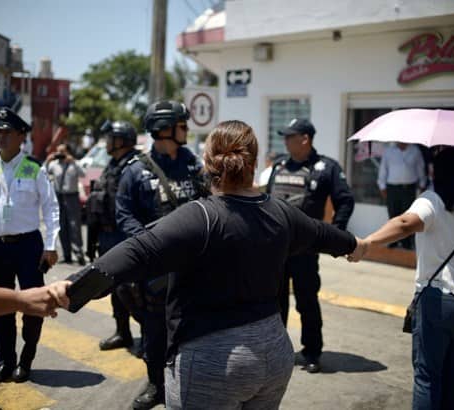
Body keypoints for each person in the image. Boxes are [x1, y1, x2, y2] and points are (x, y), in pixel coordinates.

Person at [51, 120, 360, 409]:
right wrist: (357, 245)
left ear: (208, 163)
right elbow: (325, 235)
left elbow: (135, 253)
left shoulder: (201, 216)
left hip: (212, 360)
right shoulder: (280, 211)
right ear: (253, 162)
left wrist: (74, 288)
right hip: (274, 354)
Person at [349, 147, 454, 410]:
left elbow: (405, 223)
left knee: (428, 377)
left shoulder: (432, 200)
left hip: (440, 301)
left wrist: (367, 243)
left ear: (434, 172)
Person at [114, 100, 208, 409]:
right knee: (154, 332)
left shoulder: (192, 163)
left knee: (193, 329)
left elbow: (210, 201)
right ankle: (156, 385)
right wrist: (148, 244)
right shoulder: (136, 171)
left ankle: (190, 382)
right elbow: (124, 214)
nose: (187, 129)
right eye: (182, 125)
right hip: (155, 270)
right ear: (165, 129)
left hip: (192, 267)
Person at [0, 106, 60, 385]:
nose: (1, 137)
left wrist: (50, 245)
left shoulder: (34, 168)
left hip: (28, 246)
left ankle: (26, 359)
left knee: (32, 305)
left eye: (7, 132)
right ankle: (5, 361)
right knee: (0, 305)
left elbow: (51, 209)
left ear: (21, 136)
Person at [266, 118, 354, 373]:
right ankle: (275, 350)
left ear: (305, 139)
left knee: (306, 302)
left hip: (305, 250)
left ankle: (312, 352)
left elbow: (345, 201)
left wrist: (335, 236)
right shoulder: (280, 164)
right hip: (276, 249)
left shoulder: (326, 167)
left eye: (289, 136)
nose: (284, 140)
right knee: (275, 301)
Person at [88, 120, 141, 351]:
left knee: (133, 292)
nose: (107, 142)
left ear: (122, 140)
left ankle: (149, 337)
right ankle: (123, 332)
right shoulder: (112, 165)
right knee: (113, 288)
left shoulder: (136, 167)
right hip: (107, 236)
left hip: (125, 237)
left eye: (111, 138)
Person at [377, 142, 427, 249]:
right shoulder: (389, 151)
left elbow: (420, 168)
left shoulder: (415, 150)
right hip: (392, 188)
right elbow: (383, 169)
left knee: (408, 217)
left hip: (408, 188)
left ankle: (407, 243)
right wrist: (382, 186)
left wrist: (422, 184)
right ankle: (392, 240)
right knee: (393, 215)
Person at [45, 144, 86, 265]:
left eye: (62, 152)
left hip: (72, 196)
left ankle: (79, 254)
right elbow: (42, 172)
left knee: (74, 225)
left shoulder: (74, 163)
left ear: (68, 152)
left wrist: (73, 161)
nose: (60, 154)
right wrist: (48, 160)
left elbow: (83, 174)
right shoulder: (54, 164)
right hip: (58, 197)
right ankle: (67, 254)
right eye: (58, 152)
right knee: (61, 225)